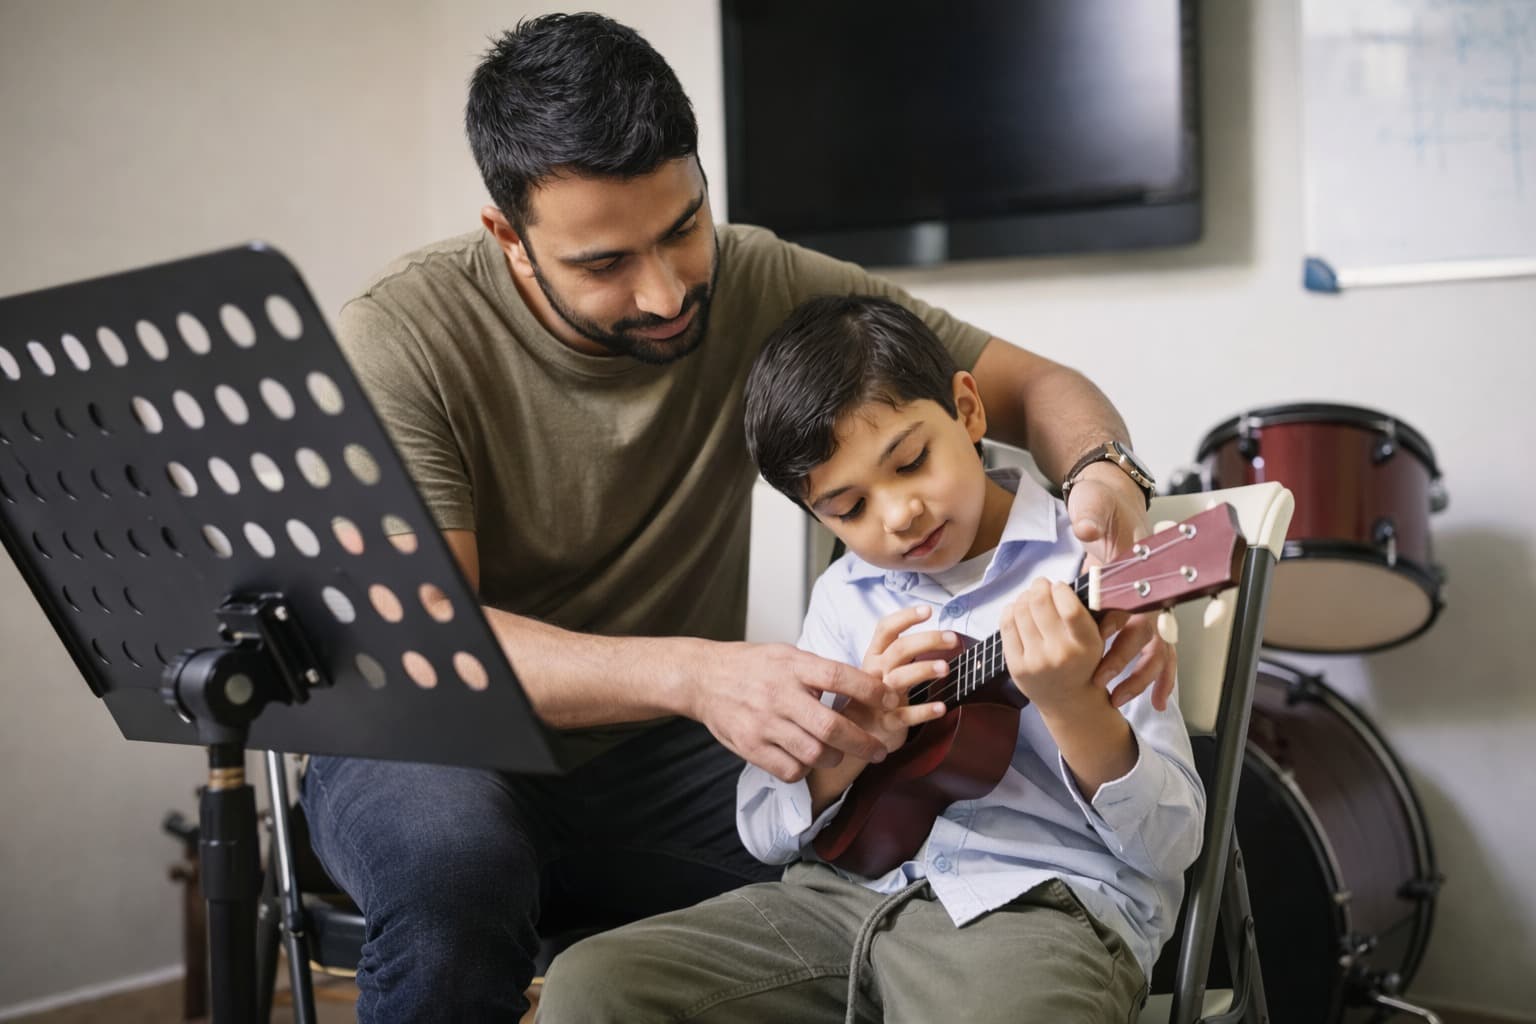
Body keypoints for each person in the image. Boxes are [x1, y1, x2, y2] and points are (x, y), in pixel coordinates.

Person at [301, 12, 1174, 1020]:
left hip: (656, 756)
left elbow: (1043, 386)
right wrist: (697, 673)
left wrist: (1108, 482)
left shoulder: (756, 278)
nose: (668, 290)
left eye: (682, 227)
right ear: (510, 237)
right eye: (604, 263)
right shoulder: (403, 335)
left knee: (861, 852)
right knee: (458, 874)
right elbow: (431, 641)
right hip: (443, 739)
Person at [536, 295, 1205, 1023]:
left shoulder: (1096, 566)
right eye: (848, 508)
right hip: (839, 905)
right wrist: (847, 746)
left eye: (911, 461)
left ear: (968, 410)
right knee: (594, 984)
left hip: (1038, 909)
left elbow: (1171, 844)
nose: (898, 515)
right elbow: (762, 827)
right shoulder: (843, 597)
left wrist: (1074, 705)